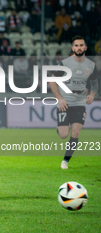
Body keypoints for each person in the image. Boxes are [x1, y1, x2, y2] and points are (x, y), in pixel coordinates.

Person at [49, 36, 98, 170]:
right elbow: (51, 80)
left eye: (81, 45)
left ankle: (65, 161)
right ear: (73, 48)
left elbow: (94, 84)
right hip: (65, 102)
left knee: (75, 132)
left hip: (80, 102)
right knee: (64, 134)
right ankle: (60, 129)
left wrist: (92, 95)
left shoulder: (91, 65)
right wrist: (59, 98)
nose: (79, 48)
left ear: (85, 48)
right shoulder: (65, 63)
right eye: (76, 45)